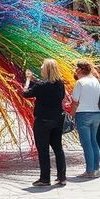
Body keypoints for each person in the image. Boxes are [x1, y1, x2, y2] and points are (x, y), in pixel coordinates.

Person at [20, 59, 67, 187]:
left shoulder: (41, 85)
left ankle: (45, 178)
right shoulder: (60, 84)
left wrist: (28, 79)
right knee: (58, 148)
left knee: (43, 150)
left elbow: (25, 93)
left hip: (43, 120)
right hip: (57, 119)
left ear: (46, 70)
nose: (41, 69)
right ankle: (62, 177)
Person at [69, 61, 100, 179]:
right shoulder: (98, 81)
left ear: (80, 70)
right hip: (97, 114)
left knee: (86, 143)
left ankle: (89, 170)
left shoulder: (80, 83)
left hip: (83, 114)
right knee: (94, 141)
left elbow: (75, 102)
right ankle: (96, 169)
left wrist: (71, 116)